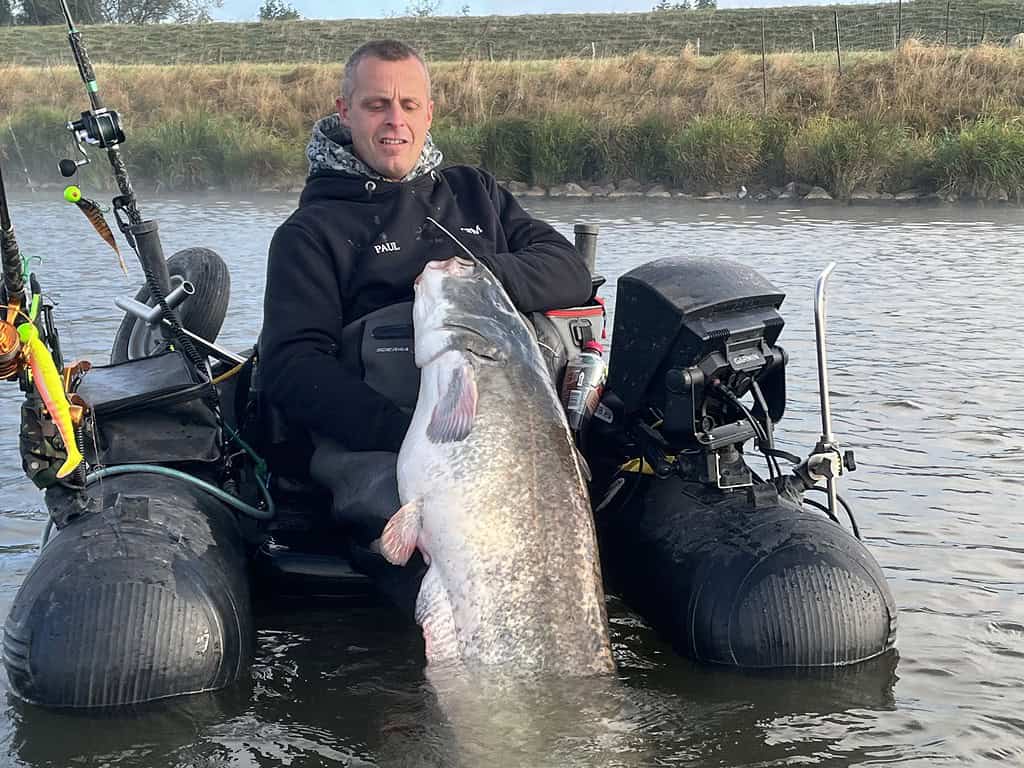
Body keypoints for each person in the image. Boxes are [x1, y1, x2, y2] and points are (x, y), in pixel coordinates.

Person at [258, 39, 593, 616]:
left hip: (513, 426)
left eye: (410, 105)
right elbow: (291, 368)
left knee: (586, 497)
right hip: (381, 442)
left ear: (429, 114)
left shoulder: (473, 192)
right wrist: (419, 436)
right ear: (345, 112)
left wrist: (463, 281)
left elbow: (568, 272)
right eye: (377, 105)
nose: (395, 121)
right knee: (428, 540)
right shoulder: (309, 232)